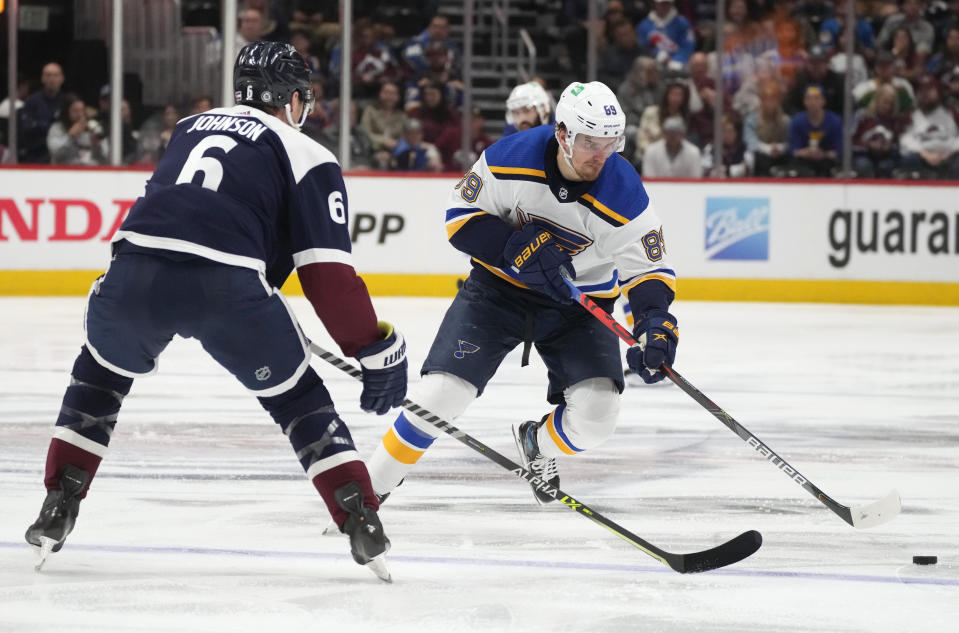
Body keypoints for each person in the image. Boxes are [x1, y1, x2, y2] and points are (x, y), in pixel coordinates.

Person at [23, 41, 406, 582]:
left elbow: (183, 212)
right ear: (293, 96)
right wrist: (373, 346)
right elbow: (330, 279)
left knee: (99, 377)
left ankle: (59, 500)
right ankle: (359, 514)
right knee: (299, 400)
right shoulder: (308, 154)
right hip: (228, 291)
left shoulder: (189, 126)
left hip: (137, 272)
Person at [364, 81, 679, 506]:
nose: (602, 155)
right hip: (498, 293)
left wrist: (654, 324)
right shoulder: (510, 159)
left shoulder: (624, 192)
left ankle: (538, 444)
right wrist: (514, 251)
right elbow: (460, 219)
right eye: (590, 142)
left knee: (598, 418)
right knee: (441, 394)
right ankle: (368, 489)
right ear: (563, 133)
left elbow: (648, 270)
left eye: (612, 142)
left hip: (579, 309)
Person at [897, 76, 959, 179]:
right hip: (922, 157)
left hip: (950, 156)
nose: (925, 94)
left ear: (938, 92)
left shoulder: (952, 113)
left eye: (929, 89)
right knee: (909, 160)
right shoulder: (911, 115)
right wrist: (924, 154)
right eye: (922, 90)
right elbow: (905, 139)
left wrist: (948, 153)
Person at [786, 84, 843, 177]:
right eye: (809, 99)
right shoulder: (797, 121)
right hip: (803, 163)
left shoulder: (835, 121)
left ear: (823, 101)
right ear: (804, 101)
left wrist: (824, 154)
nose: (813, 102)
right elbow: (792, 149)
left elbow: (839, 150)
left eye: (816, 98)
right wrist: (805, 152)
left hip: (827, 164)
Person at [18, 62, 65, 163]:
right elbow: (27, 128)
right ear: (42, 79)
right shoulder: (32, 101)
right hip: (37, 155)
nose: (52, 79)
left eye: (55, 75)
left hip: (62, 154)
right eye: (48, 75)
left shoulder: (66, 102)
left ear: (62, 79)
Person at [46, 93, 107, 166]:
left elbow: (106, 159)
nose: (80, 115)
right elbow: (56, 155)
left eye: (82, 110)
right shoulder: (56, 129)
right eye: (75, 111)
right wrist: (70, 137)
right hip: (64, 172)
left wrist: (97, 146)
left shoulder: (93, 128)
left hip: (90, 172)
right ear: (66, 112)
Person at [636, 0, 696, 70]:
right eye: (661, 3)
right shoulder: (644, 25)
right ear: (654, 3)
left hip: (680, 65)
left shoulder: (683, 23)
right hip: (653, 64)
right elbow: (642, 47)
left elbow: (688, 44)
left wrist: (678, 60)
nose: (664, 6)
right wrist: (657, 54)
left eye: (667, 3)